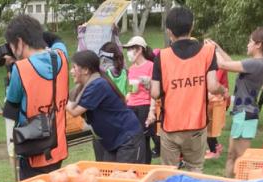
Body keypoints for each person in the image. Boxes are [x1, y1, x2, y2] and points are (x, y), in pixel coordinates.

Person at [151, 6, 224, 172]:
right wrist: (222, 91)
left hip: (170, 126)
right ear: (192, 27)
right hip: (196, 125)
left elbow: (155, 92)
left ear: (169, 32)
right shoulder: (207, 52)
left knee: (169, 172)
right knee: (195, 169)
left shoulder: (162, 57)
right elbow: (213, 86)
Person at [3, 15, 69, 180]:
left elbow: (11, 108)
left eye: (12, 45)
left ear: (19, 42)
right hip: (58, 149)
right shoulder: (62, 56)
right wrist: (36, 33)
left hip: (32, 153)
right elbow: (56, 39)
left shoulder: (21, 68)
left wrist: (11, 149)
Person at [66, 50, 145, 164]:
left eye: (74, 67)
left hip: (128, 139)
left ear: (86, 70)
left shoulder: (98, 85)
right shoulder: (84, 86)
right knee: (109, 175)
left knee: (125, 178)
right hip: (113, 141)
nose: (71, 71)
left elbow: (74, 111)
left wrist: (58, 98)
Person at [207, 27, 263, 177]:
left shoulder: (256, 63)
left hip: (246, 114)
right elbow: (230, 62)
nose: (248, 45)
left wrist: (210, 50)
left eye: (250, 42)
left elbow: (222, 65)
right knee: (232, 156)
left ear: (258, 45)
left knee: (241, 159)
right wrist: (217, 47)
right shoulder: (255, 63)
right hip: (242, 114)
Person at [124, 35, 157, 164]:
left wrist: (151, 111)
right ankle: (135, 166)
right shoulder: (131, 69)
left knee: (144, 139)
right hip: (131, 107)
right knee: (133, 139)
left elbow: (154, 91)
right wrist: (127, 96)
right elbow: (131, 89)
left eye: (131, 49)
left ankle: (145, 167)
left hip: (145, 106)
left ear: (139, 50)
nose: (128, 52)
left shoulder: (151, 66)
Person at [205, 67, 229, 160]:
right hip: (214, 100)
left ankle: (214, 151)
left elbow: (214, 85)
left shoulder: (216, 68)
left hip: (215, 101)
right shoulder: (215, 66)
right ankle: (216, 147)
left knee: (210, 128)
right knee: (210, 127)